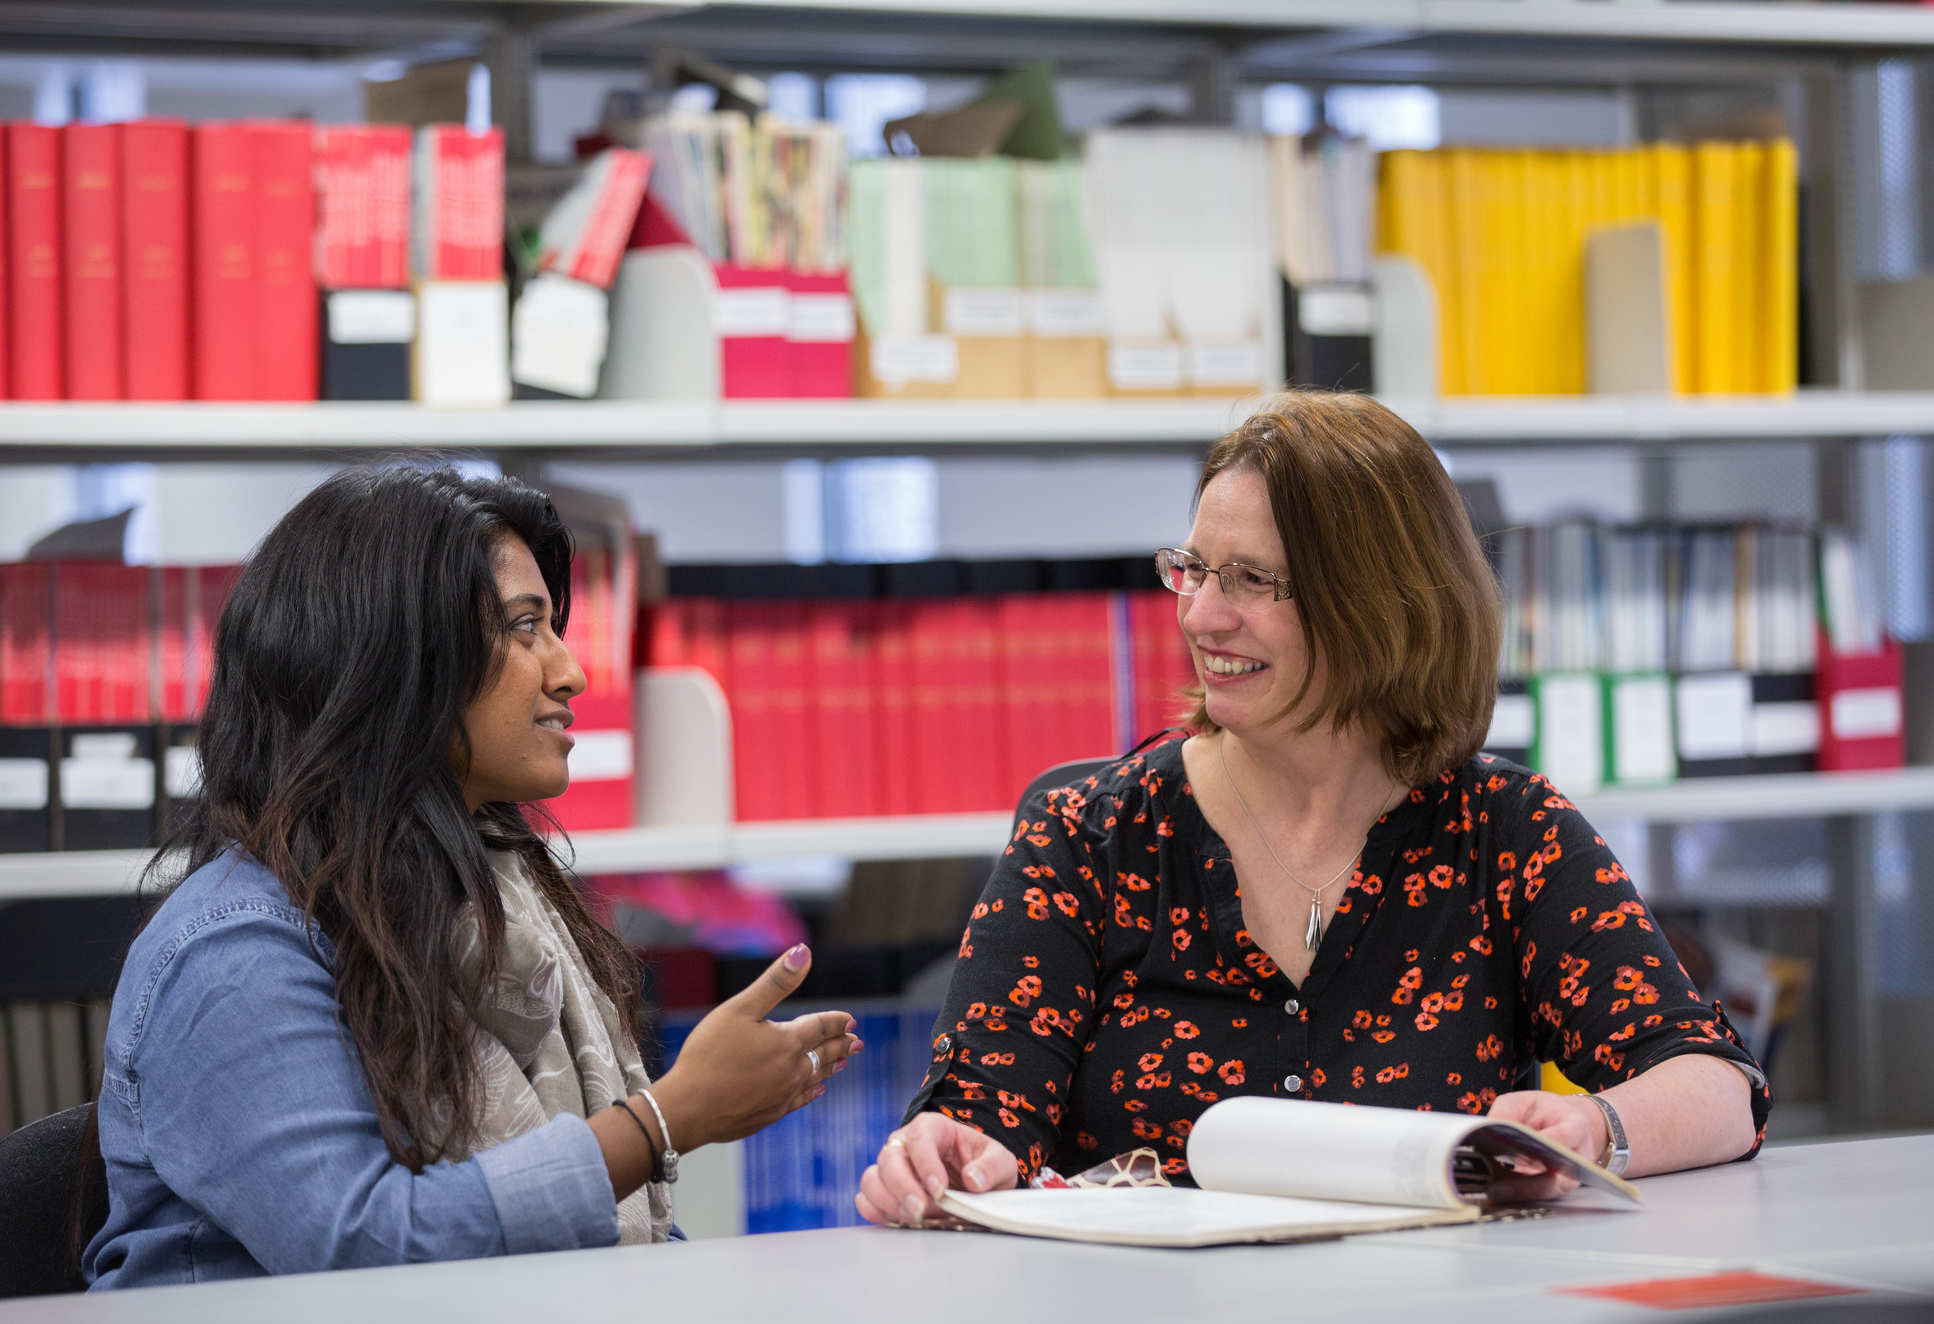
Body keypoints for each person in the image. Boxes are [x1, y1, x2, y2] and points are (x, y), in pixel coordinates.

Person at [859, 391, 1768, 1225]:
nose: (1203, 617)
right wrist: (948, 1154)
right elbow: (980, 1113)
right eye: (1194, 569)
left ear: (1382, 606)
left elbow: (1715, 1084)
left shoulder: (1503, 828)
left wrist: (1596, 1126)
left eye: (1255, 581)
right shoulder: (1087, 835)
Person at [85, 466, 859, 1288]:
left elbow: (607, 1244)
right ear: (391, 662)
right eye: (525, 629)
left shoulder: (490, 904)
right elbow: (364, 1247)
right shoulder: (233, 952)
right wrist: (669, 1120)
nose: (570, 673)